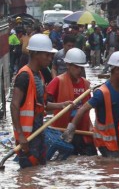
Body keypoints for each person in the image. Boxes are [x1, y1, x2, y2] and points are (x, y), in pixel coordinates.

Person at [63, 51, 119, 157]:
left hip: (117, 139)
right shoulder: (102, 92)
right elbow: (83, 109)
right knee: (112, 167)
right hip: (104, 142)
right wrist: (71, 128)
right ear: (116, 70)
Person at [10, 34, 74, 168]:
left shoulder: (39, 76)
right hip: (27, 139)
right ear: (35, 54)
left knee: (37, 174)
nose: (50, 59)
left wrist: (62, 105)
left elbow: (42, 106)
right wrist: (21, 136)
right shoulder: (24, 76)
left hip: (38, 134)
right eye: (47, 55)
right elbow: (14, 105)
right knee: (28, 176)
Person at [46, 48, 96, 156]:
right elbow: (44, 105)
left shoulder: (86, 84)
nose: (80, 70)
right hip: (64, 133)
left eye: (81, 67)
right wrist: (61, 105)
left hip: (83, 133)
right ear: (68, 65)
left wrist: (91, 126)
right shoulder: (58, 81)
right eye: (76, 67)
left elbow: (86, 110)